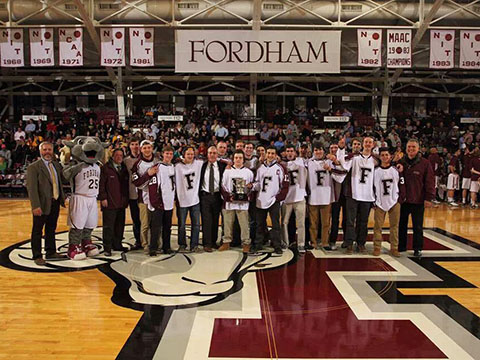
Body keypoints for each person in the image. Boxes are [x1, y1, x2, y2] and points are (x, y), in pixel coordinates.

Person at [26, 142, 66, 266]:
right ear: (40, 151)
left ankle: (51, 252)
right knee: (37, 230)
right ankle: (37, 255)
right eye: (45, 150)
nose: (47, 152)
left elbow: (62, 180)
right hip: (41, 204)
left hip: (55, 202)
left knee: (51, 229)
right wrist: (35, 206)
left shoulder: (56, 165)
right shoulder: (34, 167)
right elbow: (32, 188)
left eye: (49, 149)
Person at [337, 136, 377, 255]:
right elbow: (343, 164)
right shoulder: (354, 158)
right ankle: (349, 243)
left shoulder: (376, 160)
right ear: (362, 144)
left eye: (370, 142)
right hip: (353, 194)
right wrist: (341, 148)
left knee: (363, 221)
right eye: (366, 142)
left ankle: (361, 244)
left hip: (368, 195)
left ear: (373, 145)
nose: (368, 144)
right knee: (350, 220)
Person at [398, 139, 435, 257]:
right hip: (403, 200)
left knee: (417, 226)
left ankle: (417, 248)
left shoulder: (425, 163)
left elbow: (430, 181)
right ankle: (401, 246)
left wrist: (429, 198)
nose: (411, 149)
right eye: (409, 147)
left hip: (418, 200)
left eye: (413, 147)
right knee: (401, 224)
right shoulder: (401, 162)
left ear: (418, 149)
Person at [251, 146, 289, 254]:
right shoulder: (260, 168)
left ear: (276, 155)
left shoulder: (280, 168)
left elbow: (285, 185)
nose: (270, 155)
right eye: (269, 153)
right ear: (266, 154)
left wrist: (278, 198)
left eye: (273, 153)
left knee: (275, 224)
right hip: (261, 200)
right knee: (260, 224)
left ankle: (276, 244)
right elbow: (258, 183)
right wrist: (252, 186)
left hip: (274, 201)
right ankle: (259, 243)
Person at [219, 150, 254, 253]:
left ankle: (246, 243)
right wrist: (228, 197)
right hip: (229, 203)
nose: (238, 160)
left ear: (243, 159)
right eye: (236, 158)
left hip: (243, 204)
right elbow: (223, 186)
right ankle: (226, 242)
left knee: (244, 225)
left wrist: (247, 196)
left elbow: (251, 187)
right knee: (227, 223)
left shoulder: (248, 172)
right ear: (233, 159)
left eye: (240, 158)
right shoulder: (227, 171)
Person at [372, 148, 405, 257]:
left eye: (387, 155)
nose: (385, 157)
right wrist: (374, 201)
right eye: (382, 155)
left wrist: (400, 199)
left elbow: (402, 184)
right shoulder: (375, 171)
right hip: (379, 202)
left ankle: (394, 247)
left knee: (394, 226)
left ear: (390, 156)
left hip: (394, 201)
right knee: (378, 226)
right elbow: (372, 187)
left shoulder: (396, 170)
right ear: (380, 157)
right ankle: (377, 247)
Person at [99, 148, 129, 256]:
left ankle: (117, 244)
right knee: (108, 226)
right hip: (109, 202)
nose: (119, 157)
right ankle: (107, 247)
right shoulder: (105, 168)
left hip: (121, 202)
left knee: (120, 225)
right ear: (112, 156)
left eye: (121, 155)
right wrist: (103, 198)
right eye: (117, 155)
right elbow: (101, 184)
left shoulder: (124, 168)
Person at [147, 145, 176, 256]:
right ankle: (153, 248)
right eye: (167, 153)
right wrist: (155, 202)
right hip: (159, 203)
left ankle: (166, 247)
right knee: (156, 227)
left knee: (167, 227)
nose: (168, 156)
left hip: (169, 203)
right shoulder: (157, 167)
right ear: (162, 154)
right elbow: (153, 186)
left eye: (170, 154)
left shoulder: (173, 166)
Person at [132, 140, 159, 253]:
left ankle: (157, 243)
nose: (147, 150)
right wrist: (148, 174)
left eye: (149, 147)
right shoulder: (137, 165)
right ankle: (145, 244)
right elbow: (137, 183)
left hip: (157, 198)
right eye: (145, 148)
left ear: (152, 148)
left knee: (157, 223)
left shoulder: (158, 161)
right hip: (143, 198)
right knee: (145, 223)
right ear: (141, 149)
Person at [306, 143, 335, 250]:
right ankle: (313, 242)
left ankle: (325, 242)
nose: (318, 152)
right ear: (313, 152)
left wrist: (332, 166)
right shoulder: (309, 163)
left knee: (326, 222)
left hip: (326, 196)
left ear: (324, 151)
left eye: (320, 150)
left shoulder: (329, 162)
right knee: (313, 223)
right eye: (316, 150)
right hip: (313, 196)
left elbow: (340, 170)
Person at [175, 146, 204, 252]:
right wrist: (177, 158)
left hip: (195, 199)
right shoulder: (177, 166)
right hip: (182, 200)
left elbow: (213, 159)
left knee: (196, 224)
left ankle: (194, 244)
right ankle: (182, 244)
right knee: (181, 225)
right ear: (183, 155)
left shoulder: (198, 163)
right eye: (188, 154)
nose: (190, 156)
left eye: (192, 154)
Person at [199, 146, 226, 252]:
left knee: (215, 220)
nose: (212, 155)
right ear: (207, 154)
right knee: (206, 220)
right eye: (210, 153)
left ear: (217, 154)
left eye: (214, 153)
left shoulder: (222, 166)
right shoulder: (202, 165)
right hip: (205, 196)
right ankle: (207, 243)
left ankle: (214, 241)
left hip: (217, 196)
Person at [282, 145, 307, 252]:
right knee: (284, 222)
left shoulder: (301, 161)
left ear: (295, 153)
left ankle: (301, 243)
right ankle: (285, 242)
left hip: (300, 197)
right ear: (285, 153)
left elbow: (301, 161)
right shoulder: (282, 165)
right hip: (286, 198)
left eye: (291, 151)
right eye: (288, 151)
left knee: (301, 223)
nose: (290, 153)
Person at [124, 138, 142, 249]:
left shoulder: (146, 159)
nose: (135, 146)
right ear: (129, 146)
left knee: (146, 219)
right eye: (133, 144)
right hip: (132, 194)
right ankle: (138, 241)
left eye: (137, 144)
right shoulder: (126, 161)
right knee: (136, 219)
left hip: (144, 195)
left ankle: (147, 240)